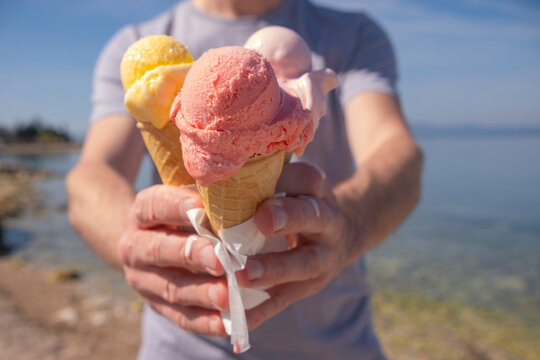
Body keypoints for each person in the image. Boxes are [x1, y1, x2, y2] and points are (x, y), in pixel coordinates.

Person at [66, 0, 423, 358]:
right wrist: (132, 243)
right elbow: (93, 173)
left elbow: (396, 150)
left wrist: (348, 226)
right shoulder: (137, 46)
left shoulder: (354, 36)